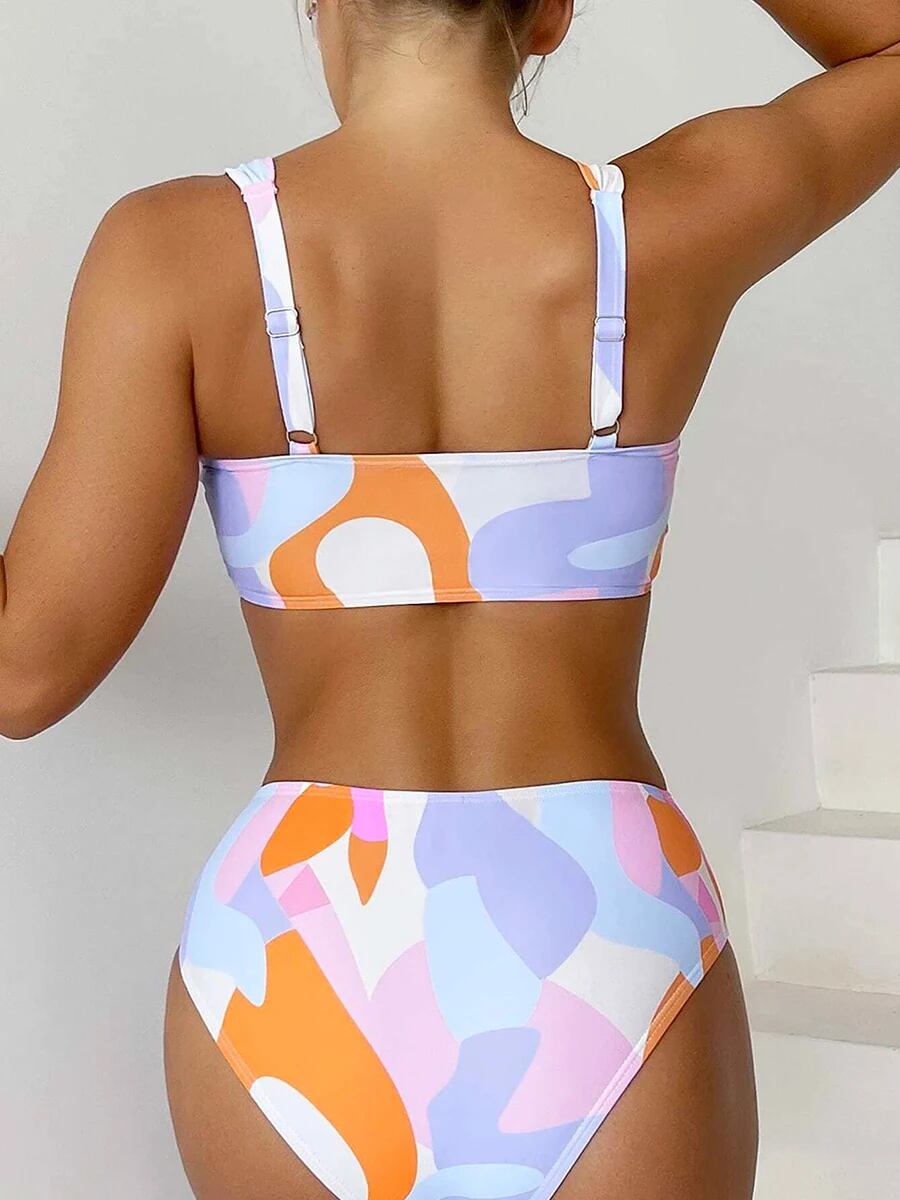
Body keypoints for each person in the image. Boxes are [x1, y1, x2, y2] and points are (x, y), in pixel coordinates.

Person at [1, 0, 897, 1196]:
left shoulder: (174, 253)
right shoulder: (674, 219)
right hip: (609, 934)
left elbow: (23, 671)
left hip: (297, 946)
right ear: (553, 14)